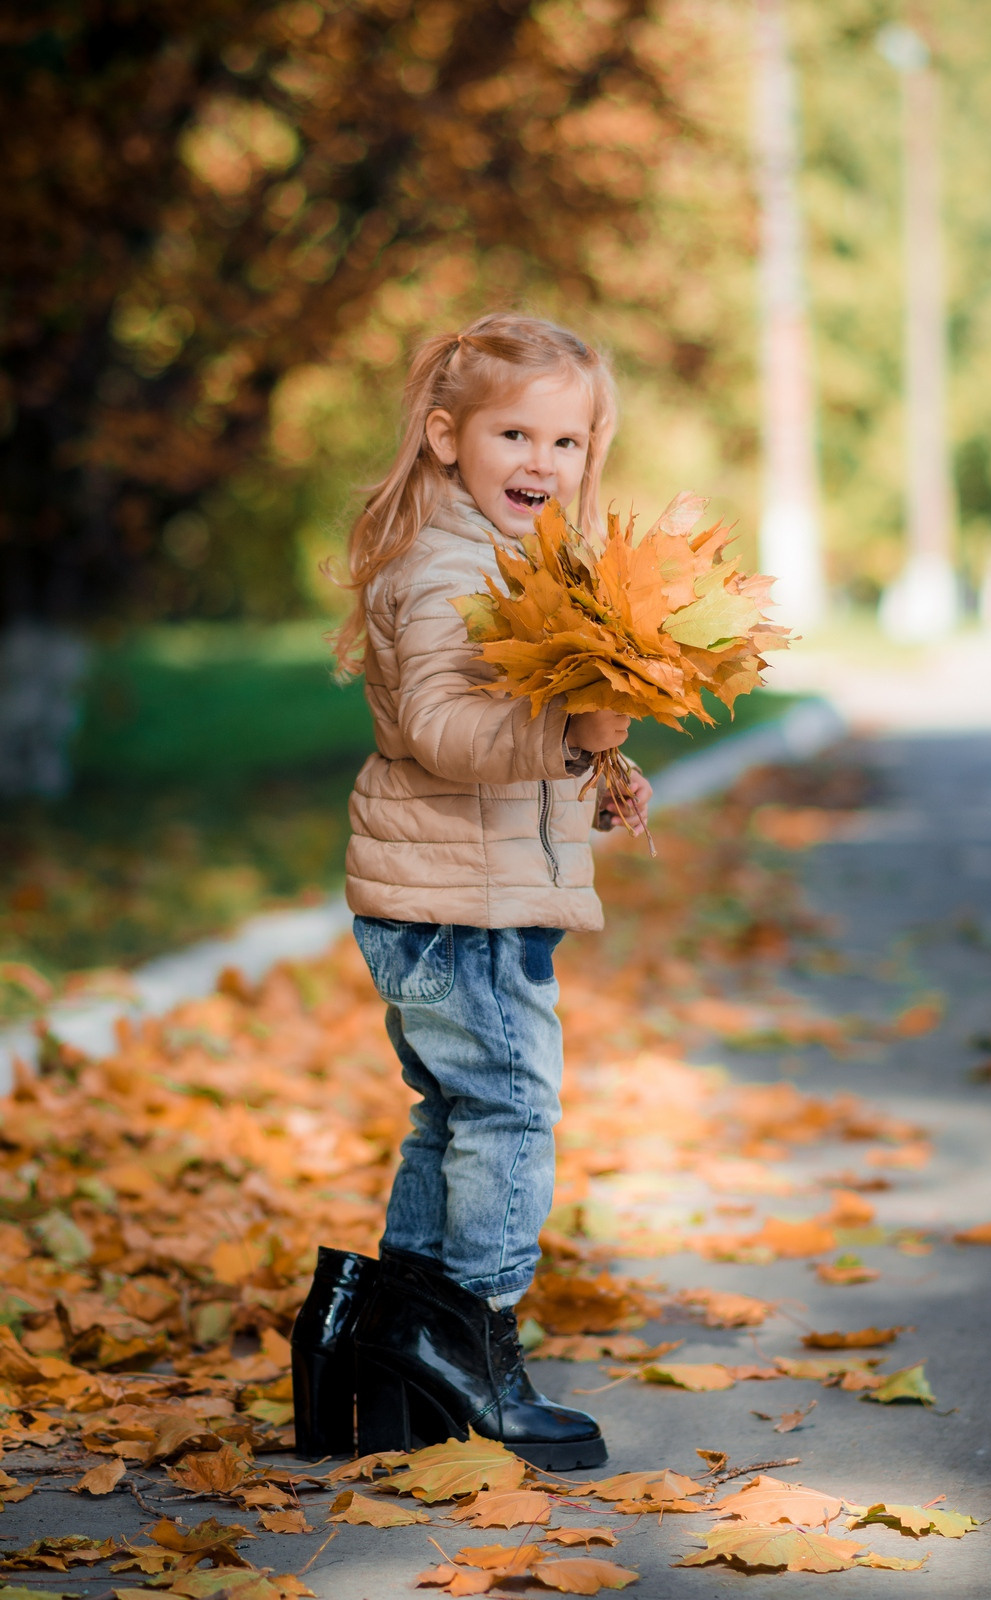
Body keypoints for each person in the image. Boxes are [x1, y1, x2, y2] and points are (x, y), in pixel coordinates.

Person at [290, 312, 652, 1470]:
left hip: (464, 894)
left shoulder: (512, 564)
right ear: (447, 438)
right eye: (514, 432)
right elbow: (448, 732)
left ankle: (376, 1346)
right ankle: (475, 1343)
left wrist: (598, 763)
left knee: (453, 1115)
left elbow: (516, 738)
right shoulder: (447, 568)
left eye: (569, 441)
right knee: (509, 1110)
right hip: (458, 907)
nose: (543, 462)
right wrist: (562, 731)